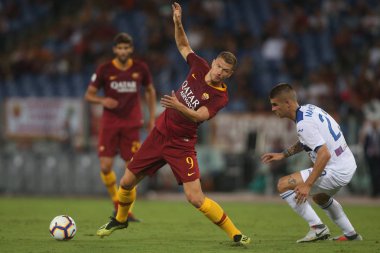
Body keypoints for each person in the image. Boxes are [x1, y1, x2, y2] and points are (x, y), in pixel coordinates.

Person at [96, 2, 251, 245]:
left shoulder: (221, 96)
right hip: (160, 134)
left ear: (230, 75)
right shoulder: (198, 66)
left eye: (226, 71)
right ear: (213, 62)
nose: (220, 72)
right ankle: (121, 219)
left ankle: (236, 234)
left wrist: (178, 105)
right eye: (219, 66)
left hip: (182, 144)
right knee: (126, 182)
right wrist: (178, 22)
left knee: (195, 198)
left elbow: (199, 116)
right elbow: (182, 45)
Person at [261, 83, 362, 242]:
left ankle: (318, 228)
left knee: (283, 184)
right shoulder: (309, 109)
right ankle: (352, 235)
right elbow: (308, 141)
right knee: (320, 198)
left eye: (275, 104)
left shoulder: (303, 124)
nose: (273, 109)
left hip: (336, 168)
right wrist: (283, 155)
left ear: (287, 103)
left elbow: (324, 155)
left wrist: (307, 185)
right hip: (347, 162)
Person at [84, 32, 157, 222]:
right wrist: (103, 100)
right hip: (109, 123)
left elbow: (150, 90)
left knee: (132, 169)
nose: (123, 51)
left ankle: (127, 212)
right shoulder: (105, 69)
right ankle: (116, 202)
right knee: (105, 166)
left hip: (132, 123)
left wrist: (151, 118)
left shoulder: (141, 68)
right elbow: (89, 95)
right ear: (114, 50)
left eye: (126, 48)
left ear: (131, 49)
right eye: (120, 48)